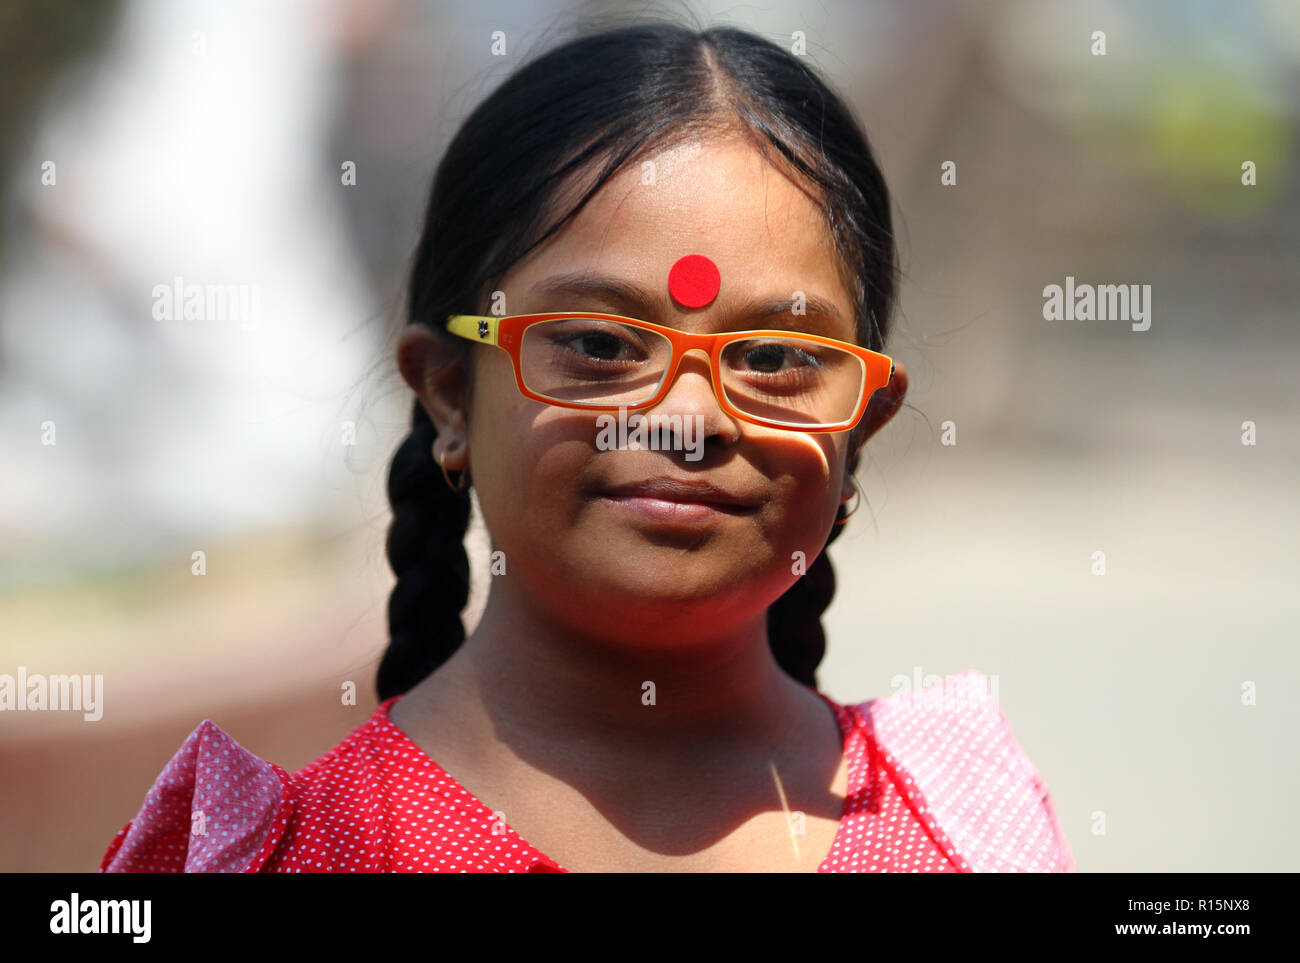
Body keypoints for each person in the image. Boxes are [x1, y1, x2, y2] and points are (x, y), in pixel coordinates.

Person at [99, 20, 1074, 873]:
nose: (687, 421)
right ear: (447, 393)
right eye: (600, 346)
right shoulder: (292, 852)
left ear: (859, 423)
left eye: (774, 355)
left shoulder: (963, 833)